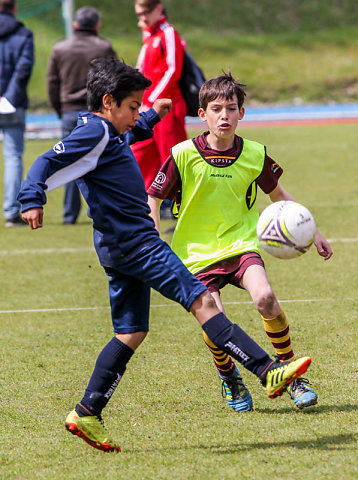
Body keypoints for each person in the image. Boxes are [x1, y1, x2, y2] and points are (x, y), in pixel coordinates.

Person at [18, 59, 312, 452]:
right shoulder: (91, 132)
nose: (136, 113)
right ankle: (267, 370)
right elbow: (46, 161)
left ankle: (87, 411)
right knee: (204, 300)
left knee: (131, 331)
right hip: (137, 242)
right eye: (133, 106)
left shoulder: (108, 130)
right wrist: (31, 198)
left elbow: (128, 133)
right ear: (108, 102)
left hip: (115, 246)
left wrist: (152, 116)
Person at [148, 73, 333, 413]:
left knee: (265, 297)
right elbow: (153, 197)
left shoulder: (254, 154)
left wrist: (312, 230)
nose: (224, 116)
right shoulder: (182, 154)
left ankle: (291, 375)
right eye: (216, 109)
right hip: (196, 252)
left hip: (241, 244)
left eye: (231, 109)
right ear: (202, 115)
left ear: (241, 114)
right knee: (214, 319)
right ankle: (230, 377)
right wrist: (153, 235)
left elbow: (279, 197)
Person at [47, 6, 117, 225]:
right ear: (96, 25)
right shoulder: (104, 47)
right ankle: (103, 210)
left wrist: (61, 109)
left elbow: (52, 82)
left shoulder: (60, 48)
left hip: (69, 110)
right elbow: (116, 78)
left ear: (76, 24)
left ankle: (69, 214)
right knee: (103, 162)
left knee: (69, 161)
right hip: (97, 112)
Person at [131, 0, 187, 195]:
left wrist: (151, 101)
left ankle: (179, 206)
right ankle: (146, 201)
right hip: (148, 109)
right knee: (140, 153)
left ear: (158, 9)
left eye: (146, 12)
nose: (143, 17)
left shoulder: (168, 33)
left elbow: (173, 70)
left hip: (167, 108)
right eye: (139, 14)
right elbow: (141, 71)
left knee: (172, 158)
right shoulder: (150, 36)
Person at [0, 0, 34, 227]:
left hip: (10, 101)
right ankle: (11, 211)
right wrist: (9, 99)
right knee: (13, 158)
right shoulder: (23, 34)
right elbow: (23, 68)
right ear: (14, 8)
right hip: (12, 104)